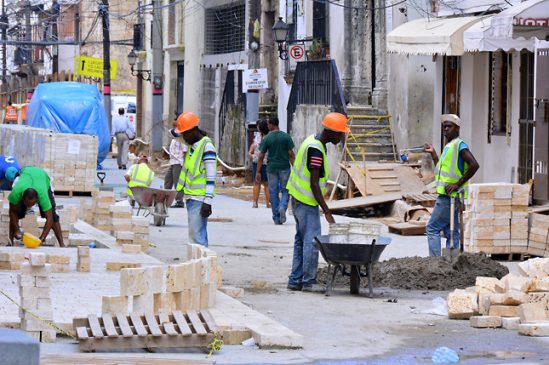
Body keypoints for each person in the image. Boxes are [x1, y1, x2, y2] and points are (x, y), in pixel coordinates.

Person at [286, 112, 349, 291]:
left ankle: (295, 280)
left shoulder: (312, 141)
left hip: (298, 199)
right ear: (331, 132)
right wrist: (326, 209)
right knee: (312, 241)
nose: (341, 137)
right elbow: (314, 183)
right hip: (306, 201)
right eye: (340, 133)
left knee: (300, 240)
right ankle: (308, 281)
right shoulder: (316, 150)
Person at [425, 114, 479, 257]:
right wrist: (434, 155)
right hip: (450, 196)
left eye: (449, 126)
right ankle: (453, 261)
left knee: (432, 228)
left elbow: (474, 165)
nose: (446, 129)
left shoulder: (459, 145)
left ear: (457, 129)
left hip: (449, 197)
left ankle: (435, 262)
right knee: (451, 230)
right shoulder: (448, 147)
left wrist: (457, 184)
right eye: (444, 127)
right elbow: (441, 172)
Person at [174, 112, 217, 247]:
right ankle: (199, 264)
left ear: (193, 131)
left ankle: (201, 264)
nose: (184, 138)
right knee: (195, 236)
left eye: (186, 134)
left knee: (197, 238)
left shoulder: (207, 147)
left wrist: (208, 201)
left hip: (200, 199)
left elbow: (211, 177)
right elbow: (174, 134)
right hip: (191, 197)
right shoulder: (193, 145)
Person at [8, 166, 64, 246]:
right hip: (25, 173)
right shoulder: (16, 192)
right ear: (22, 198)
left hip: (43, 177)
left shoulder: (43, 195)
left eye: (33, 204)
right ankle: (10, 242)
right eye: (27, 204)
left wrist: (42, 238)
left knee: (54, 215)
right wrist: (17, 230)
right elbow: (12, 212)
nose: (30, 207)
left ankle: (62, 244)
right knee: (16, 212)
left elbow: (50, 218)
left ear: (37, 199)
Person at [256, 118, 295, 225]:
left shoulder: (267, 138)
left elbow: (261, 156)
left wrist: (258, 171)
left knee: (273, 191)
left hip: (271, 168)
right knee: (286, 190)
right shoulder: (286, 137)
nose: (267, 126)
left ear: (272, 125)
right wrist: (295, 168)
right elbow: (291, 154)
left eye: (268, 124)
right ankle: (282, 206)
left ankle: (276, 217)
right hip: (284, 167)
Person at [164, 119, 187, 208]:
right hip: (173, 162)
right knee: (168, 179)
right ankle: (165, 198)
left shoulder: (182, 138)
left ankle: (179, 201)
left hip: (179, 162)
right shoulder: (175, 137)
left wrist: (184, 165)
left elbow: (185, 152)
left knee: (178, 182)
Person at [249, 120, 270, 208]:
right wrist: (251, 153)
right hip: (256, 161)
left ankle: (268, 203)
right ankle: (255, 202)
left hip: (265, 162)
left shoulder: (268, 137)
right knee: (257, 182)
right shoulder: (258, 135)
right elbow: (253, 145)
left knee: (266, 183)